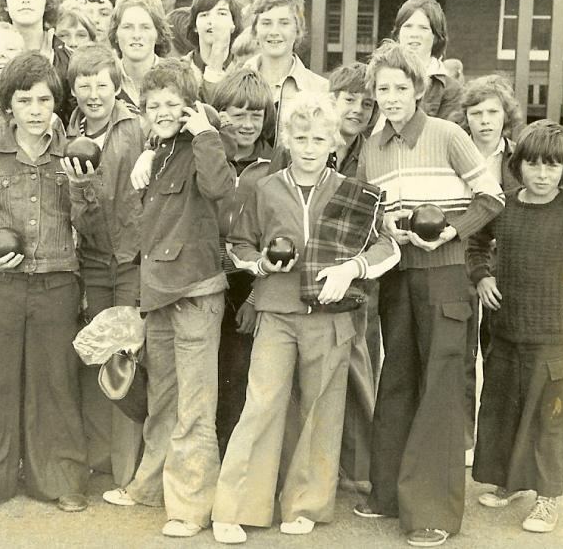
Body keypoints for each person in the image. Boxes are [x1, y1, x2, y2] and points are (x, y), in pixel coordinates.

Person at [212, 92, 399, 543]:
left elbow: (387, 246)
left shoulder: (354, 193)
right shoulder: (265, 188)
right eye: (301, 137)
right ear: (287, 141)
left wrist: (352, 268)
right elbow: (239, 245)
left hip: (331, 317)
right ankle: (235, 506)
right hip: (276, 312)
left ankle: (305, 504)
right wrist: (260, 264)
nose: (310, 146)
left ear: (333, 141)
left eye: (319, 138)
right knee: (261, 404)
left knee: (321, 412)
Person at [353, 39, 504, 548]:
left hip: (446, 275)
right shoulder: (373, 145)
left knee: (440, 388)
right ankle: (388, 496)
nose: (391, 96)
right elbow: (366, 213)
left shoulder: (447, 134)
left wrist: (453, 231)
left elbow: (491, 197)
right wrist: (388, 228)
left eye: (400, 87)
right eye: (382, 89)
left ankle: (432, 514)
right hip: (397, 277)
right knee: (396, 379)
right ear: (373, 93)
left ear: (418, 89)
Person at [0, 52, 89, 515]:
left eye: (44, 100)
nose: (35, 109)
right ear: (8, 105)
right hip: (2, 284)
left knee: (56, 382)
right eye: (24, 100)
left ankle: (60, 478)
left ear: (56, 104)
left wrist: (85, 188)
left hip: (56, 283)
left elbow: (91, 223)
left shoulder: (73, 154)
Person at [102, 58, 233, 538]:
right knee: (163, 399)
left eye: (172, 104)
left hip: (196, 293)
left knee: (196, 407)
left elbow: (219, 187)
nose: (162, 111)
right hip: (158, 291)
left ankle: (191, 508)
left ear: (191, 106)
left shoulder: (203, 142)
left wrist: (203, 132)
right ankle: (148, 488)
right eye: (153, 104)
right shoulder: (155, 153)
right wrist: (150, 151)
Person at [467, 119, 563, 535]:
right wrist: (482, 275)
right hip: (505, 330)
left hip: (551, 336)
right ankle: (508, 482)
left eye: (552, 166)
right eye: (533, 165)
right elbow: (474, 242)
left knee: (549, 419)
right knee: (501, 409)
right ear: (518, 166)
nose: (542, 174)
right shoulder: (503, 205)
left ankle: (547, 498)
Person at [62, 43, 146, 488]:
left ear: (116, 85)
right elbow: (79, 213)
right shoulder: (68, 134)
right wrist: (82, 187)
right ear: (73, 88)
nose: (93, 92)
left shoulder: (137, 127)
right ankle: (99, 461)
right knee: (96, 355)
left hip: (131, 258)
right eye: (84, 83)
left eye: (101, 83)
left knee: (128, 358)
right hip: (92, 260)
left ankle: (127, 467)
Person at [208, 67, 276, 456]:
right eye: (237, 113)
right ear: (219, 113)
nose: (247, 124)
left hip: (248, 284)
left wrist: (254, 298)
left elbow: (280, 235)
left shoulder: (273, 164)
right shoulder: (207, 154)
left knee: (238, 374)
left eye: (256, 114)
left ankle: (233, 463)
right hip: (206, 276)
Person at [456, 73, 523, 463]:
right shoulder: (455, 150)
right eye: (476, 112)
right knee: (461, 352)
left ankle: (496, 440)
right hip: (460, 257)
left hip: (505, 262)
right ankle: (464, 436)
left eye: (492, 112)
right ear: (466, 117)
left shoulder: (517, 157)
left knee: (497, 353)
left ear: (505, 115)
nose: (484, 120)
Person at [241, 0, 328, 142]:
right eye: (266, 23)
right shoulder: (234, 81)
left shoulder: (320, 89)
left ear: (298, 29)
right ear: (255, 30)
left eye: (284, 23)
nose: (274, 32)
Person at [390, 0, 462, 123]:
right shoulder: (378, 76)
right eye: (408, 26)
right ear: (398, 33)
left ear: (436, 36)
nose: (414, 34)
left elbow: (444, 137)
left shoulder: (451, 89)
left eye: (423, 28)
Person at [109, 0, 172, 110]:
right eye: (127, 27)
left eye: (145, 27)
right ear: (115, 34)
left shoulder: (177, 78)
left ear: (159, 34)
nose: (136, 35)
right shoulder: (106, 79)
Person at [187, 0, 241, 85]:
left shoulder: (244, 69)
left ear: (233, 24)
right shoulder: (179, 69)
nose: (212, 21)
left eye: (221, 14)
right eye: (204, 15)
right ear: (195, 26)